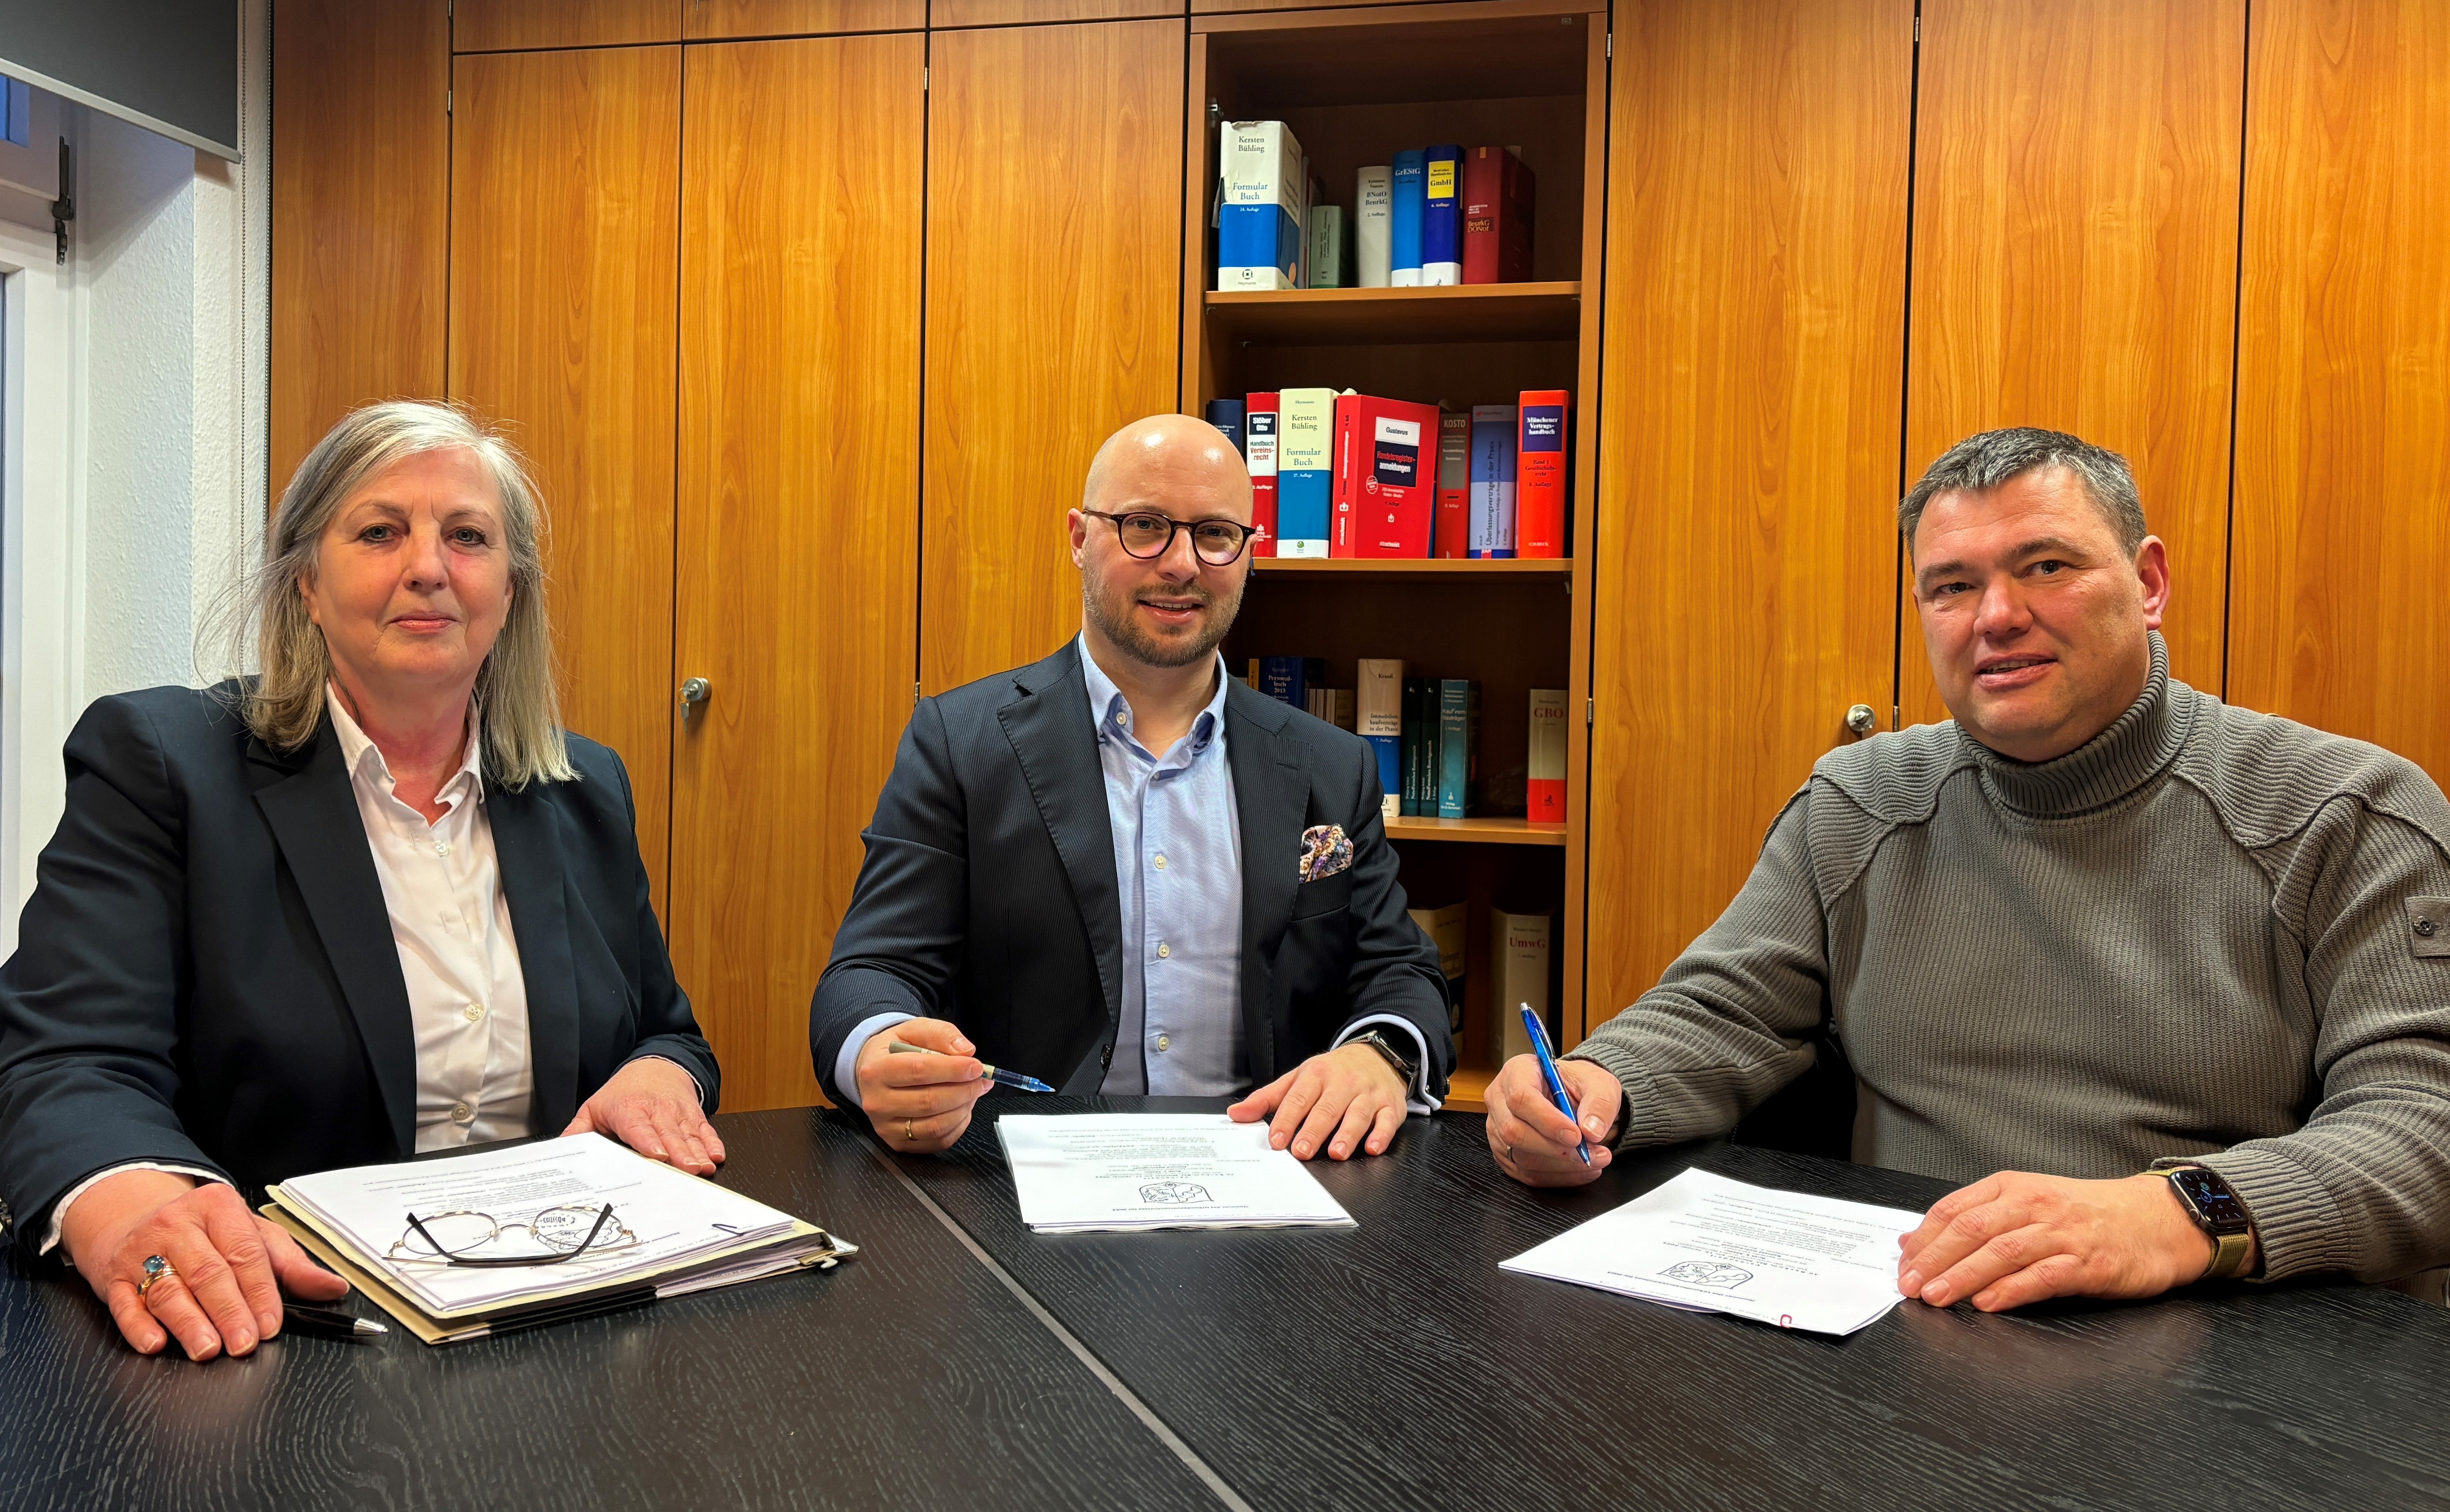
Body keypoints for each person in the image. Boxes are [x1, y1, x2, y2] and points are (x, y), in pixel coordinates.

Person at [1487, 426, 2450, 1311]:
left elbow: (2425, 1128)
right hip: (1914, 1323)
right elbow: (1721, 1010)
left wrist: (2177, 1214)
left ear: (2149, 583)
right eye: (1951, 586)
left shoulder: (2344, 813)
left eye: (2046, 566)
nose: (1997, 616)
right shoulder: (1860, 800)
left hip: (2236, 1344)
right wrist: (1593, 1081)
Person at [0, 402, 723, 1361]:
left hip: (559, 1322)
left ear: (511, 591)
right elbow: (65, 1059)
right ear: (306, 580)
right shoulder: (166, 763)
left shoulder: (583, 788)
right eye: (380, 531)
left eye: (468, 536)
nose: (428, 565)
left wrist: (656, 1076)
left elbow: (666, 1029)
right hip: (276, 1329)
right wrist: (132, 1202)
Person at [811, 413, 1450, 1161]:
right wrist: (880, 1049)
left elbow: (1400, 974)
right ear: (1080, 538)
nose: (1181, 564)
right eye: (1145, 526)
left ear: (1250, 554)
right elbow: (870, 972)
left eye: (1215, 534)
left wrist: (1379, 1058)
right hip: (1020, 1181)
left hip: (1271, 1177)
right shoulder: (961, 741)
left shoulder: (1330, 766)